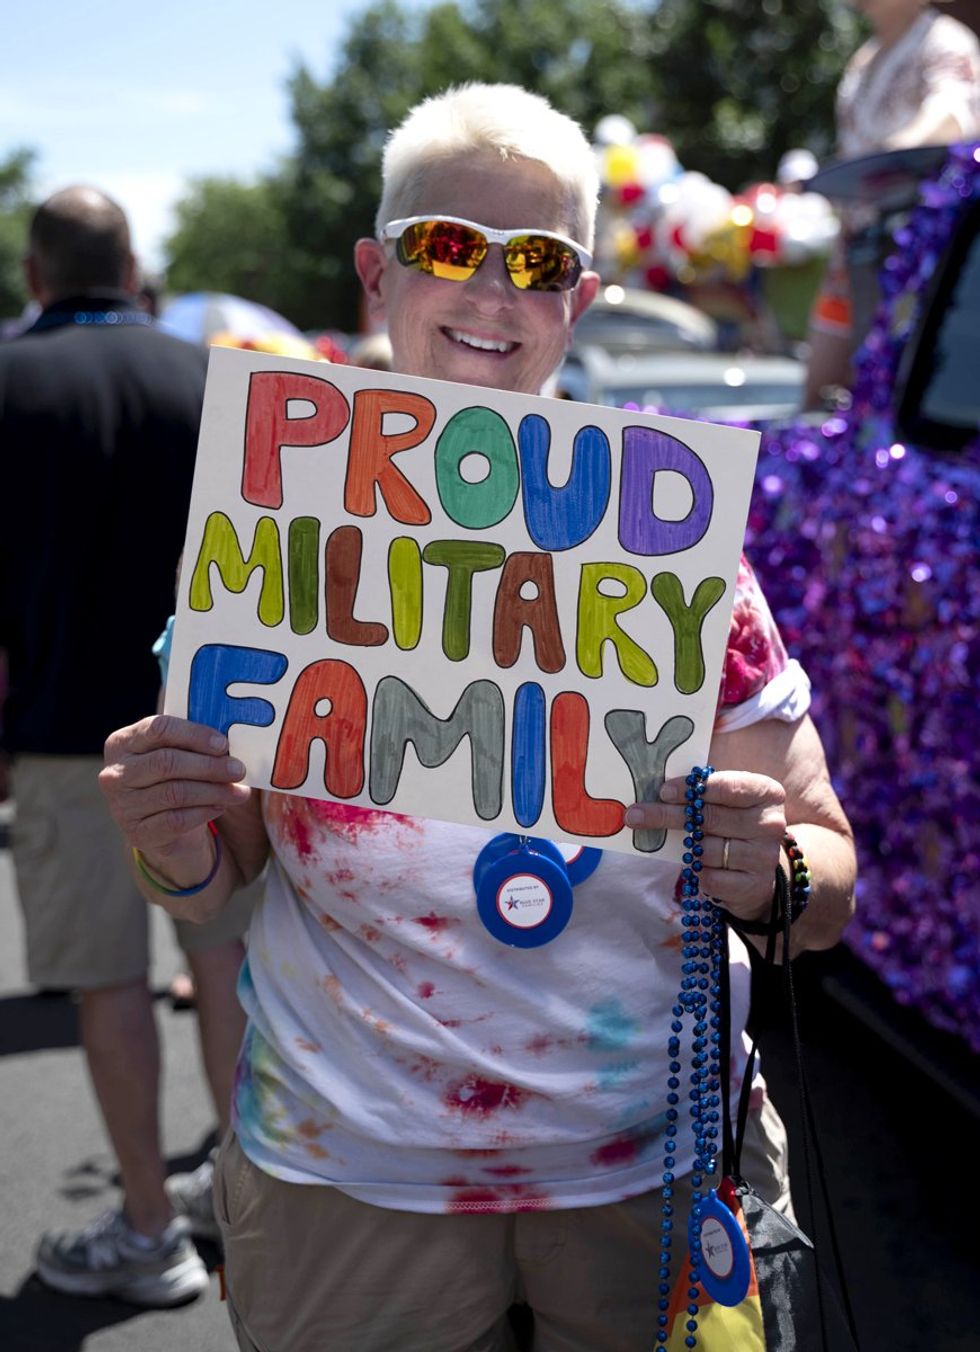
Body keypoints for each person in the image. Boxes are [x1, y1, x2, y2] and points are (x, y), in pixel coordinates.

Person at [100, 85, 857, 1352]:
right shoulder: (273, 531)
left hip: (647, 1176)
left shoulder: (673, 553)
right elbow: (212, 877)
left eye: (540, 262)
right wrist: (169, 836)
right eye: (450, 246)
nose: (493, 292)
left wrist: (767, 865)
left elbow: (821, 875)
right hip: (347, 1180)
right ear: (376, 269)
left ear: (581, 297)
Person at [0, 186, 253, 1307]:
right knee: (223, 966)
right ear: (136, 266)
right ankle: (254, 1202)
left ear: (35, 276)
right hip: (212, 727)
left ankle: (151, 1228)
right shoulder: (210, 377)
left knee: (109, 984)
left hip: (61, 733)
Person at [804, 0, 980, 407]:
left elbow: (952, 114)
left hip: (919, 252)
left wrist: (894, 153)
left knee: (897, 390)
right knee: (818, 388)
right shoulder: (863, 60)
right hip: (855, 251)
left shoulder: (945, 40)